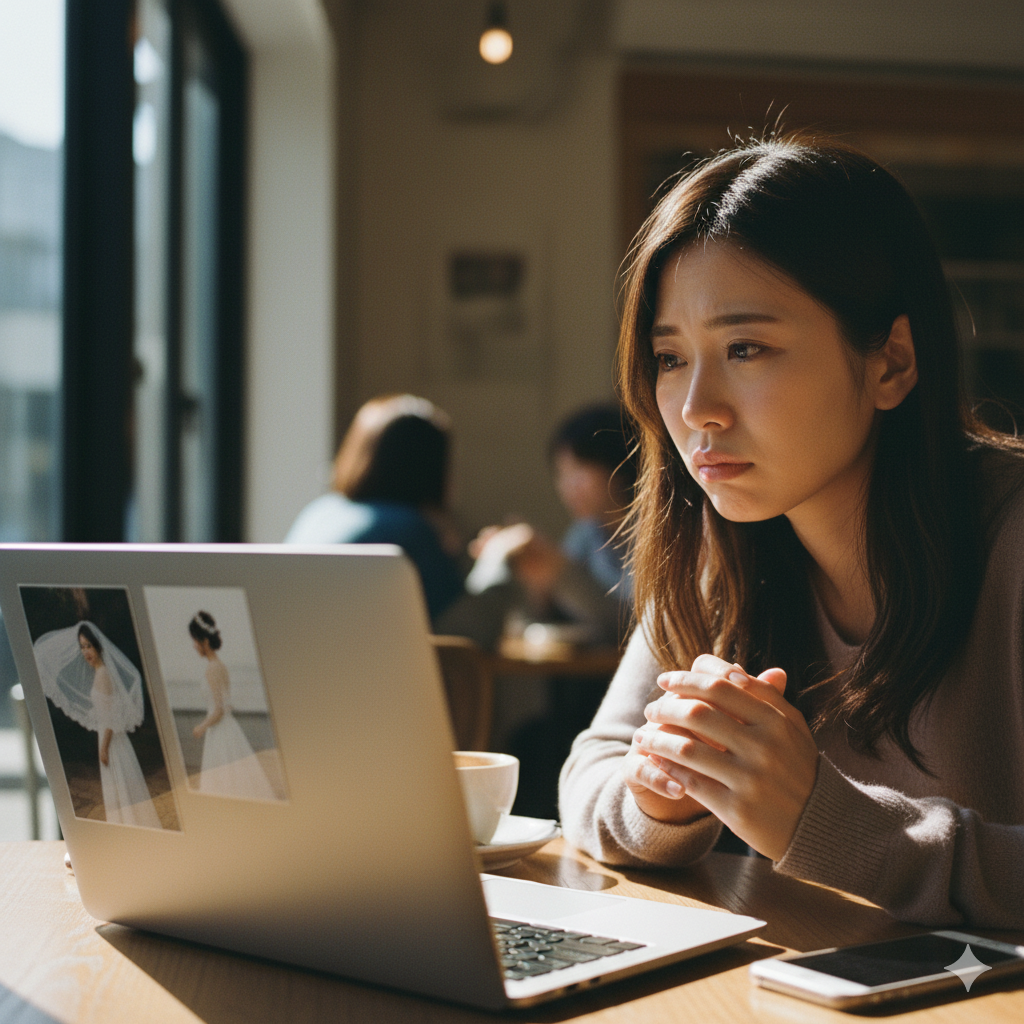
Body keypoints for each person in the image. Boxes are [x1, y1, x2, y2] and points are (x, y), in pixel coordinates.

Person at [559, 132, 1024, 929]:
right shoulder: (723, 546)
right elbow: (595, 769)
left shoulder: (1010, 538)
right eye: (670, 358)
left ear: (891, 363)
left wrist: (828, 823)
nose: (697, 409)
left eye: (746, 348)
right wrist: (660, 795)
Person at [442, 404, 636, 650]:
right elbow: (562, 619)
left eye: (578, 471)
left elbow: (637, 627)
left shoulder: (654, 532)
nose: (567, 486)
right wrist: (537, 580)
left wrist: (561, 572)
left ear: (617, 467)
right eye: (561, 474)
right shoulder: (586, 533)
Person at [285, 394, 464, 622]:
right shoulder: (408, 528)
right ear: (430, 467)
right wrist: (496, 566)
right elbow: (463, 625)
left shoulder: (319, 512)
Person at [34, 622, 161, 828]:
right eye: (82, 647)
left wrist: (104, 747)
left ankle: (129, 826)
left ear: (99, 647)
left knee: (120, 786)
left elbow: (111, 717)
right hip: (110, 738)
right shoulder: (100, 673)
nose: (86, 652)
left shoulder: (103, 675)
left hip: (112, 742)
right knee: (119, 788)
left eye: (89, 646)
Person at [189, 611, 276, 801]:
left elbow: (218, 710)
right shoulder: (221, 666)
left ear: (204, 641)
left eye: (195, 640)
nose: (194, 645)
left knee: (223, 781)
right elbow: (226, 705)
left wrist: (201, 727)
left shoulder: (212, 669)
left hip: (219, 731)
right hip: (228, 728)